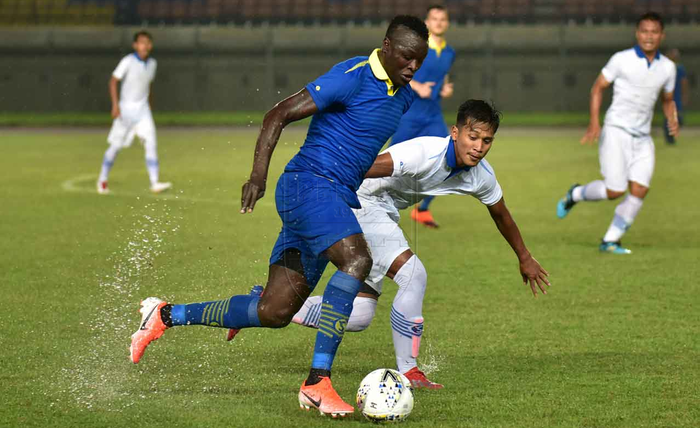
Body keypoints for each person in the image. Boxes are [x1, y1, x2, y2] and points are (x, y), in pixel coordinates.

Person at [128, 16, 429, 418]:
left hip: (333, 199)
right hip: (309, 187)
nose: (412, 66)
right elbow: (277, 114)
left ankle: (164, 315)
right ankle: (316, 382)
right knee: (357, 260)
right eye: (407, 57)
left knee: (274, 311)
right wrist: (257, 176)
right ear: (387, 46)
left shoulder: (404, 95)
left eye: (419, 61)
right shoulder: (352, 76)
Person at [289, 100, 550, 389]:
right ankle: (410, 372)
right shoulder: (423, 153)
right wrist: (317, 196)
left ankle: (280, 305)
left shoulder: (481, 176)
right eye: (472, 137)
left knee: (360, 315)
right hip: (362, 201)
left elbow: (501, 215)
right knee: (413, 275)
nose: (478, 146)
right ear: (455, 132)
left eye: (486, 140)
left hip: (384, 212)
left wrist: (524, 257)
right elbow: (361, 169)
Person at [557, 12, 679, 254]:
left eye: (654, 32)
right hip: (616, 131)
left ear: (662, 35)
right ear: (637, 33)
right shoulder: (621, 59)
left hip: (643, 137)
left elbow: (667, 99)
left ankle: (610, 240)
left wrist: (671, 117)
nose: (649, 36)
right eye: (644, 31)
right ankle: (576, 193)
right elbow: (597, 88)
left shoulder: (668, 68)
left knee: (640, 189)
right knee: (615, 190)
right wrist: (594, 122)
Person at [391, 4, 456, 229]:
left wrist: (444, 89)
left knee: (451, 159)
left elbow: (442, 78)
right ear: (426, 22)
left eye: (442, 19)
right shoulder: (415, 47)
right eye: (434, 18)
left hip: (432, 115)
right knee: (388, 161)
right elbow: (394, 70)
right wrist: (417, 86)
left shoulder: (449, 52)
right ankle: (363, 200)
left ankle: (423, 209)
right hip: (409, 113)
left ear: (446, 23)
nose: (438, 22)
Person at [97, 30, 172, 195]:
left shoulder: (152, 64)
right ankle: (102, 179)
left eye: (147, 42)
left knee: (151, 144)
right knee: (115, 146)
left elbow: (148, 85)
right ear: (135, 45)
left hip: (143, 112)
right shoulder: (128, 61)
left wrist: (150, 104)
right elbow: (113, 81)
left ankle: (154, 182)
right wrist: (115, 105)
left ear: (150, 46)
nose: (144, 45)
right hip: (126, 111)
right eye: (141, 42)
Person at [663, 48, 689, 145]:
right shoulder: (665, 68)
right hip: (668, 96)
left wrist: (684, 95)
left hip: (677, 96)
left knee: (677, 117)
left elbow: (684, 83)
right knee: (668, 117)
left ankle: (671, 135)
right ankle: (669, 138)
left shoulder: (679, 68)